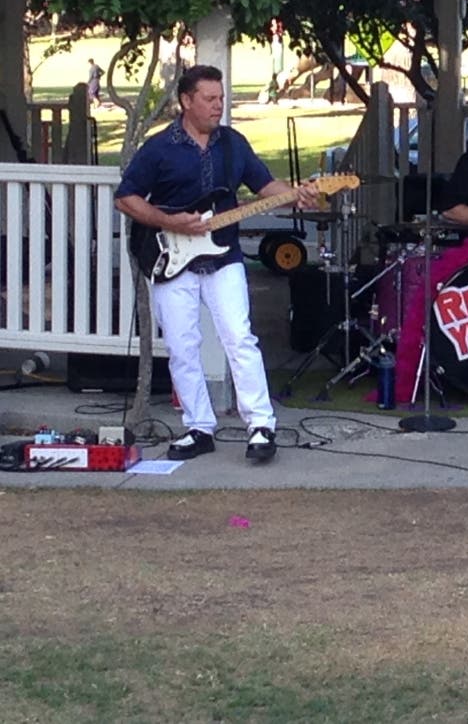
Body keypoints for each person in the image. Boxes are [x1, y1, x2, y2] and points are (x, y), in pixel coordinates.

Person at [114, 65, 320, 462]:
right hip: (170, 258)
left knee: (239, 339)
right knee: (182, 347)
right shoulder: (160, 147)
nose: (218, 106)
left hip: (224, 255)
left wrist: (296, 194)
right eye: (209, 99)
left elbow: (264, 184)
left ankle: (261, 425)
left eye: (221, 98)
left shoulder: (233, 144)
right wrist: (170, 222)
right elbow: (126, 198)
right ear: (186, 101)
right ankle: (198, 427)